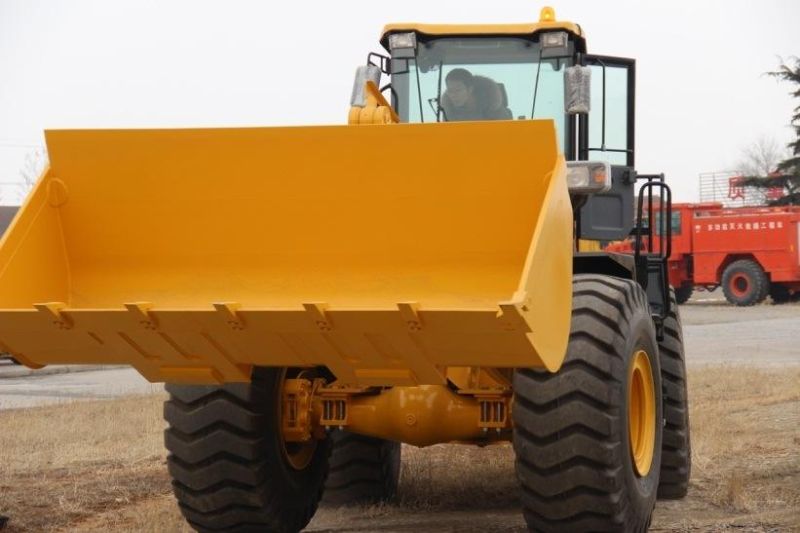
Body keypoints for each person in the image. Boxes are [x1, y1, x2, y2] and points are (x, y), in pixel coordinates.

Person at [440, 68, 512, 122]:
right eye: (450, 91)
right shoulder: (449, 115)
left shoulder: (496, 112)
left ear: (470, 89)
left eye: (458, 90)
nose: (453, 95)